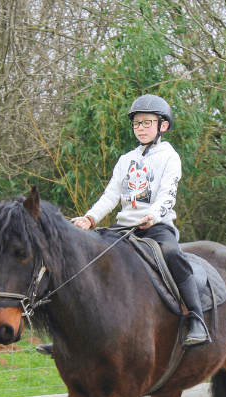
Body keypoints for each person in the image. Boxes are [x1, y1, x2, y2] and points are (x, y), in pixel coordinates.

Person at [38, 94, 209, 354]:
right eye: (137, 124)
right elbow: (110, 195)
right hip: (123, 228)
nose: (140, 128)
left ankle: (196, 320)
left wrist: (153, 215)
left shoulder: (170, 157)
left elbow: (167, 193)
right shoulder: (125, 159)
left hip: (156, 226)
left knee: (173, 254)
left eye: (147, 123)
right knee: (89, 259)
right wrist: (90, 217)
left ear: (162, 125)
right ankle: (69, 334)